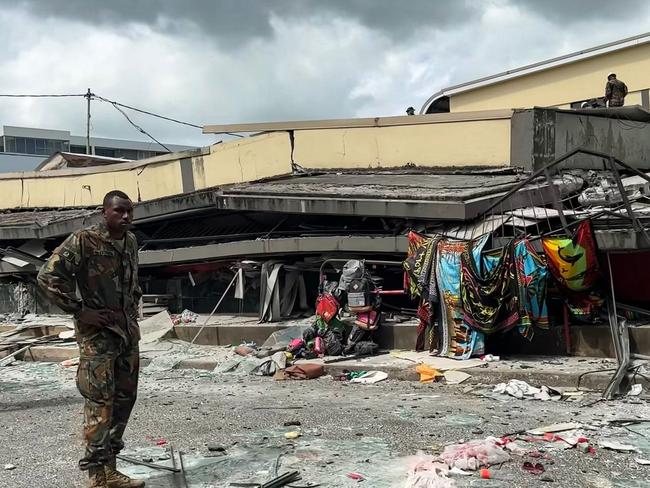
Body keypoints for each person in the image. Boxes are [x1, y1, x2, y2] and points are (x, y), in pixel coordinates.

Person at [38, 190, 144, 488]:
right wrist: (80, 311)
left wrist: (132, 313)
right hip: (98, 337)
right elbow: (48, 277)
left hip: (125, 333)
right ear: (105, 212)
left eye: (129, 212)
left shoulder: (131, 242)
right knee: (100, 403)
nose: (125, 217)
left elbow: (132, 282)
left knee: (124, 399)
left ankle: (111, 469)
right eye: (119, 211)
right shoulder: (85, 240)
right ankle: (97, 476)